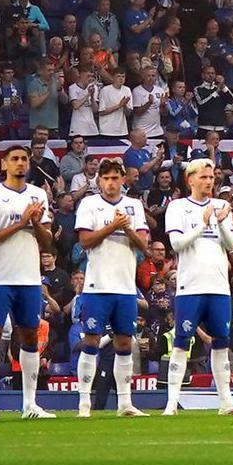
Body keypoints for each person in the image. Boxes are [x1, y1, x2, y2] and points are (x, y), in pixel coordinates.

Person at [0, 144, 54, 418]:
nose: (20, 163)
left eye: (24, 159)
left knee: (30, 335)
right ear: (4, 164)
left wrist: (38, 223)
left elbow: (48, 243)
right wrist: (21, 223)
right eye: (15, 159)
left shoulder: (38, 194)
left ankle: (29, 404)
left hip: (29, 277)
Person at [162, 158, 233, 415]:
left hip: (219, 286)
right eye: (203, 177)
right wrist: (203, 223)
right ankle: (171, 403)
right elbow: (177, 244)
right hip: (190, 286)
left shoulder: (221, 205)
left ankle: (226, 403)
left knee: (221, 342)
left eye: (211, 177)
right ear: (190, 179)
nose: (209, 182)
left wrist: (221, 221)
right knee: (181, 342)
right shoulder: (177, 207)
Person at [70, 160, 150, 418]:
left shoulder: (134, 206)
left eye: (116, 177)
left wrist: (126, 227)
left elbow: (145, 245)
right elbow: (85, 241)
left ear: (123, 179)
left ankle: (125, 403)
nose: (111, 183)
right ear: (99, 181)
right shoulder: (89, 204)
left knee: (125, 341)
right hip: (97, 285)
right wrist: (112, 227)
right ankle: (84, 403)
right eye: (106, 178)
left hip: (126, 286)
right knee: (92, 340)